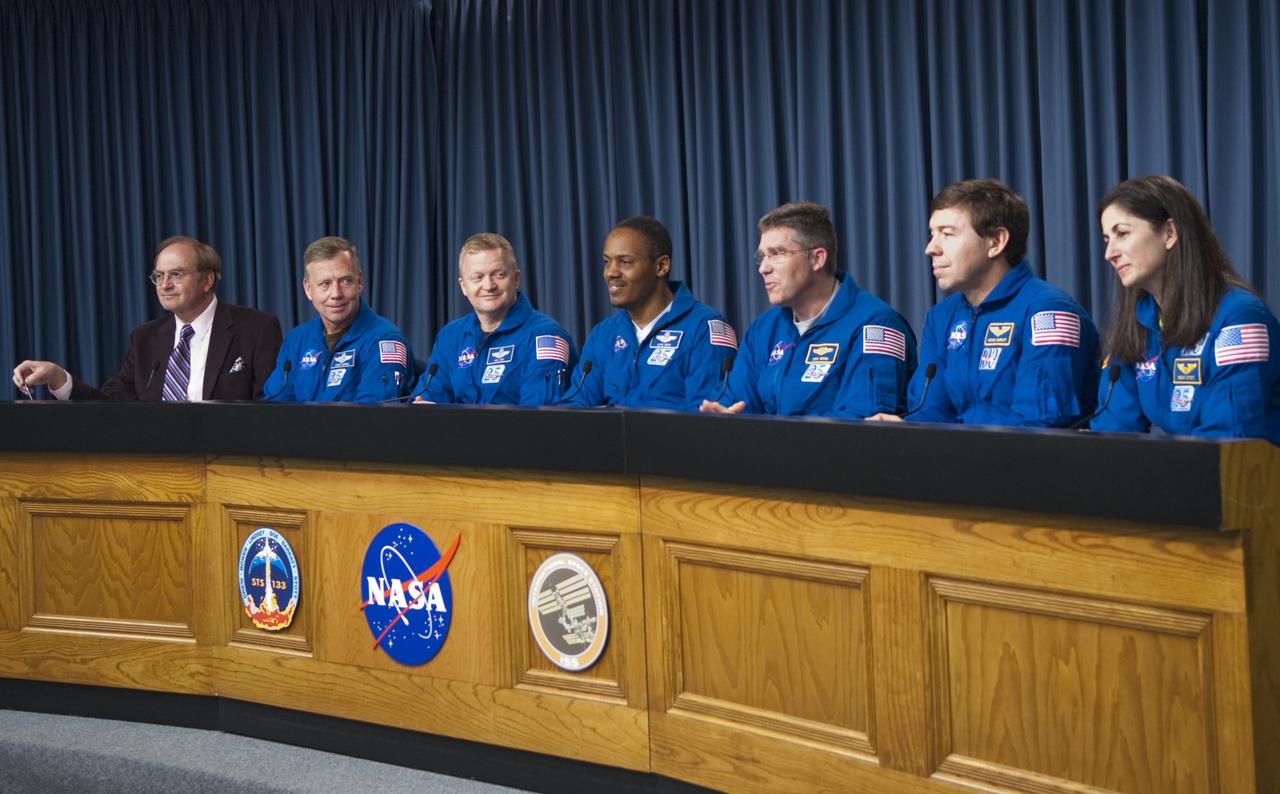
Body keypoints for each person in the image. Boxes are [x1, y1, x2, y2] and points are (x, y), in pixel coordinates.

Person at [869, 179, 1099, 426]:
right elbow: (931, 415)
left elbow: (1040, 429)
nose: (930, 248)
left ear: (995, 242)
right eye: (932, 234)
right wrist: (903, 431)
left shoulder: (1048, 312)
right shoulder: (941, 317)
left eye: (947, 234)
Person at [1089, 175, 1279, 443]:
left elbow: (1228, 441)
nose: (1109, 253)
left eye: (1122, 233)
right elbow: (1112, 431)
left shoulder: (1239, 319)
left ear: (1169, 233)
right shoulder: (1137, 323)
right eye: (1107, 239)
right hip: (1184, 475)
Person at [701, 201, 914, 418]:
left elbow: (862, 423)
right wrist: (721, 415)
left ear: (817, 258)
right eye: (762, 256)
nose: (763, 268)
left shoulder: (876, 324)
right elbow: (736, 402)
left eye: (776, 253)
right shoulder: (764, 329)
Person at [12, 236, 282, 401]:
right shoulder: (145, 338)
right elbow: (112, 405)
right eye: (158, 276)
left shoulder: (256, 329)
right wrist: (59, 378)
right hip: (157, 468)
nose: (164, 285)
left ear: (207, 279)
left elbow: (267, 405)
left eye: (176, 274)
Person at [564, 216, 736, 411]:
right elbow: (576, 407)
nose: (610, 272)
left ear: (661, 266)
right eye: (607, 262)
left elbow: (704, 416)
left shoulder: (705, 329)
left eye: (625, 262)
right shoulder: (603, 334)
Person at [411, 233, 576, 405]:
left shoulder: (547, 337)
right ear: (463, 286)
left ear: (516, 279)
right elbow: (427, 403)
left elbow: (538, 419)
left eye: (499, 274)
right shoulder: (450, 337)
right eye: (478, 277)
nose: (489, 286)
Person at [263, 236, 412, 403]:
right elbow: (274, 408)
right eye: (325, 284)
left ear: (360, 282)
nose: (336, 294)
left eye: (345, 281)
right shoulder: (296, 341)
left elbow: (373, 418)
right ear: (308, 289)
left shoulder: (385, 341)